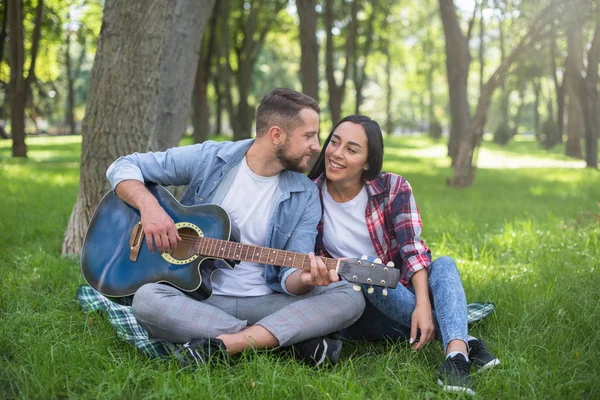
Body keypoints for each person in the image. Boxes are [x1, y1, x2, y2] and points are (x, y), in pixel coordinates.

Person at [105, 88, 366, 367]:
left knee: (350, 296)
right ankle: (288, 339)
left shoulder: (304, 193)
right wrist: (150, 207)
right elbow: (124, 165)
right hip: (202, 300)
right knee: (147, 300)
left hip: (268, 300)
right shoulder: (210, 159)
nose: (317, 146)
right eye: (309, 135)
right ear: (276, 135)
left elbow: (291, 274)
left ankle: (227, 344)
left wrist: (306, 279)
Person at [308, 115, 499, 394]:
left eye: (351, 149)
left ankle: (456, 358)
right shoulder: (308, 195)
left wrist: (422, 304)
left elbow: (413, 251)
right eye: (334, 142)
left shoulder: (392, 188)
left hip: (402, 298)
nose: (337, 153)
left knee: (444, 263)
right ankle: (461, 334)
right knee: (367, 267)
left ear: (368, 162)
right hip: (358, 311)